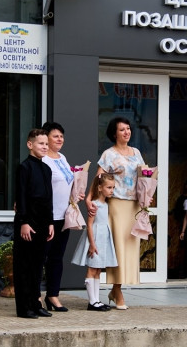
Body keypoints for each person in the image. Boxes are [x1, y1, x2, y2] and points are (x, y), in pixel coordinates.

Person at [86, 117, 145, 310]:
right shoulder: (109, 154)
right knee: (118, 248)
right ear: (114, 133)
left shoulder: (136, 152)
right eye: (122, 130)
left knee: (130, 249)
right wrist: (89, 198)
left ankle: (117, 288)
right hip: (117, 206)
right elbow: (98, 179)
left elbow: (144, 177)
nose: (127, 132)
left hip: (134, 206)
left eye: (128, 129)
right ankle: (117, 290)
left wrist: (147, 195)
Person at [13, 128, 55, 319]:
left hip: (43, 223)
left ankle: (35, 303)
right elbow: (21, 196)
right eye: (41, 143)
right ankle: (24, 308)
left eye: (46, 144)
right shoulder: (24, 167)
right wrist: (23, 221)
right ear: (30, 144)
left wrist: (50, 223)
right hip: (27, 223)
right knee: (24, 265)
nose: (45, 147)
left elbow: (49, 198)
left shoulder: (46, 169)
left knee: (38, 266)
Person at [41, 121, 81, 312]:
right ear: (46, 138)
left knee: (57, 258)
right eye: (55, 136)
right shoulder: (42, 160)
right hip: (47, 217)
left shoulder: (62, 158)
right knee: (40, 258)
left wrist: (76, 193)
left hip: (63, 217)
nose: (60, 139)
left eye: (62, 136)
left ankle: (53, 296)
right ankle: (35, 296)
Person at [71, 173, 118, 311]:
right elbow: (90, 225)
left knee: (98, 270)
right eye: (109, 187)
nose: (112, 190)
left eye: (113, 188)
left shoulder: (106, 204)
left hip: (103, 238)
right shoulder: (95, 205)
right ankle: (92, 302)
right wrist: (92, 244)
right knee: (92, 269)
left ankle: (96, 300)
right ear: (100, 188)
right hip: (95, 238)